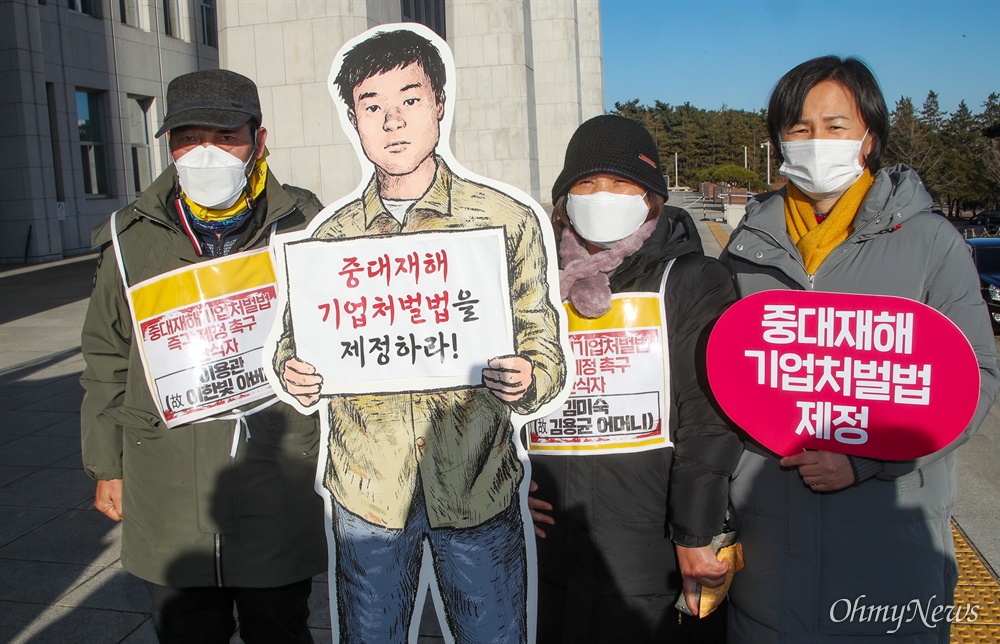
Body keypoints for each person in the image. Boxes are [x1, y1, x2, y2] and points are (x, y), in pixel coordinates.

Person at [274, 28, 566, 642]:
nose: (392, 122)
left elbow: (543, 344)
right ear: (353, 120)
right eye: (372, 106)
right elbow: (293, 343)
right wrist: (291, 370)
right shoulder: (331, 240)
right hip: (368, 495)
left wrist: (529, 377)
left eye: (409, 99)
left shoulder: (502, 222)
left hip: (477, 486)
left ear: (439, 103)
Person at [720, 56, 1000, 643]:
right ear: (778, 139)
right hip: (769, 539)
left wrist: (869, 461)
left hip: (888, 543)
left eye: (835, 125)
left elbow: (974, 375)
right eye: (799, 128)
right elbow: (717, 378)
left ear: (868, 136)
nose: (816, 142)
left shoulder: (930, 242)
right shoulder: (747, 247)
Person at [80, 69, 326, 643]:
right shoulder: (130, 235)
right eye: (188, 137)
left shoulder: (307, 225)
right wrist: (106, 464)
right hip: (164, 481)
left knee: (280, 628)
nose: (205, 153)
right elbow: (105, 355)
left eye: (225, 136)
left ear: (258, 140)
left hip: (274, 473)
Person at [527, 115, 744, 643]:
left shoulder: (692, 279)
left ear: (650, 197)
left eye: (621, 183)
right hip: (546, 547)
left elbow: (709, 420)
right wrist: (507, 486)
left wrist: (695, 532)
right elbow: (493, 399)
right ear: (564, 199)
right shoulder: (531, 287)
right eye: (587, 183)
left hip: (652, 550)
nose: (603, 196)